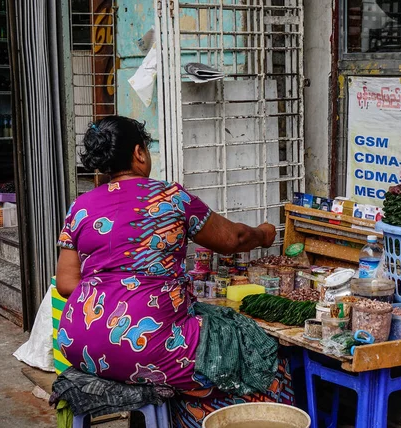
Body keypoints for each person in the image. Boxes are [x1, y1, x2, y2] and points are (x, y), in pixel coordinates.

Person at [55, 115, 293, 426]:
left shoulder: (80, 207)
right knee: (257, 354)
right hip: (147, 348)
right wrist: (264, 233)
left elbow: (66, 283)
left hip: (78, 341)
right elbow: (232, 239)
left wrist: (113, 287)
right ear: (139, 153)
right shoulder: (170, 197)